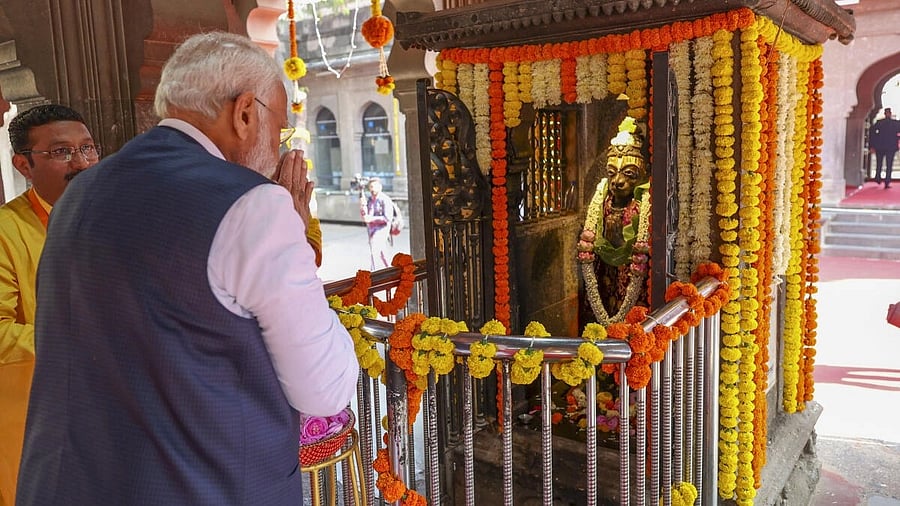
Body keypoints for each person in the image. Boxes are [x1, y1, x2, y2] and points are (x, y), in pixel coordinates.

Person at [16, 32, 358, 506]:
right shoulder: (254, 205)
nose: (277, 149)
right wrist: (296, 237)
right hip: (204, 488)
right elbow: (324, 388)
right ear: (244, 112)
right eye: (278, 131)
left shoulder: (81, 192)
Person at [0, 104, 99, 505]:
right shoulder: (7, 232)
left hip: (110, 413)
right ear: (23, 164)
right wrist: (80, 343)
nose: (82, 163)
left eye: (88, 148)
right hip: (38, 420)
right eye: (61, 152)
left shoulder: (116, 217)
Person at [577, 117, 651, 325]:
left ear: (643, 173)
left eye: (629, 174)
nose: (618, 181)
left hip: (636, 281)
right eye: (612, 173)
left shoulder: (645, 203)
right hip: (604, 279)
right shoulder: (601, 199)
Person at [360, 177, 395, 269]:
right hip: (372, 230)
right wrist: (363, 207)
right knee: (383, 253)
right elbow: (365, 215)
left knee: (374, 252)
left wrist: (371, 219)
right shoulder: (369, 200)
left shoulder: (385, 199)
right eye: (371, 187)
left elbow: (387, 218)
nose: (372, 189)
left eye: (374, 187)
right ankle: (390, 269)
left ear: (380, 187)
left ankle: (373, 272)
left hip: (382, 229)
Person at [868, 107, 900, 188]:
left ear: (885, 114)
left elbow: (872, 131)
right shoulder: (895, 123)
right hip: (891, 147)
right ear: (890, 114)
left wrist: (873, 144)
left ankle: (878, 178)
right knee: (889, 165)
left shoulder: (880, 122)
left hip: (880, 146)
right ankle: (887, 181)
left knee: (879, 163)